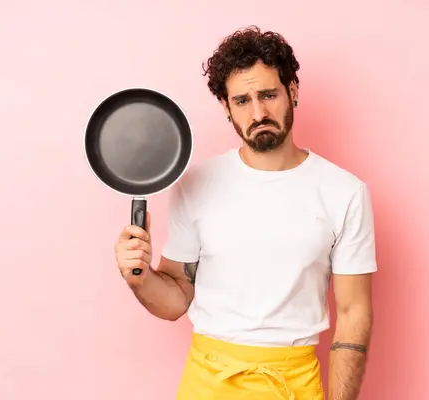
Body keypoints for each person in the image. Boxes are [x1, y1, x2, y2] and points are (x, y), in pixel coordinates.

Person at [113, 26, 377, 400]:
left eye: (269, 94)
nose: (258, 113)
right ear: (226, 107)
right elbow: (174, 301)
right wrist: (137, 275)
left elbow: (353, 315)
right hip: (207, 384)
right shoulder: (196, 183)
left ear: (293, 92)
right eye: (241, 101)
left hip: (293, 385)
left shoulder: (345, 192)